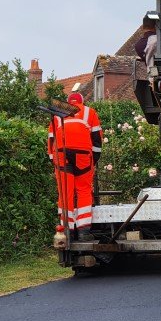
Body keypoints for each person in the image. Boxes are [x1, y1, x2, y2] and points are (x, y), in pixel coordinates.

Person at [47, 92, 102, 241]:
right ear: (82, 102)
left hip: (61, 153)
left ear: (68, 102)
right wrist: (93, 161)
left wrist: (54, 161)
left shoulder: (58, 113)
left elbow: (51, 140)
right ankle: (84, 231)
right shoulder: (89, 112)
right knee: (84, 190)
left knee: (65, 191)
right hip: (83, 154)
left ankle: (67, 231)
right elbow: (97, 140)